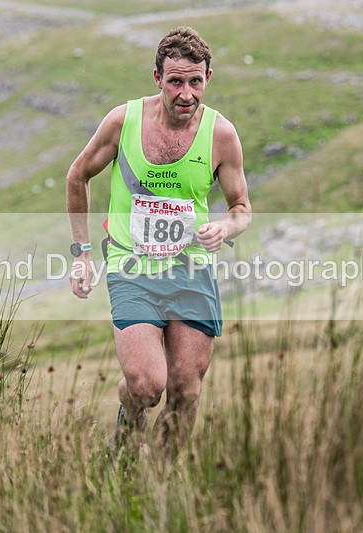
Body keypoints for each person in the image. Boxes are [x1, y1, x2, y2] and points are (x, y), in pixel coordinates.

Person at [66, 26, 251, 454]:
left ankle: (164, 492)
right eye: (175, 81)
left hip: (191, 272)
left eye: (195, 81)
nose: (186, 94)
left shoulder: (222, 134)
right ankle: (126, 424)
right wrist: (83, 254)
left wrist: (224, 228)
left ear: (208, 78)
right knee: (149, 386)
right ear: (157, 78)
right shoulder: (123, 121)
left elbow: (241, 206)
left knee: (185, 391)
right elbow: (78, 176)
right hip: (133, 269)